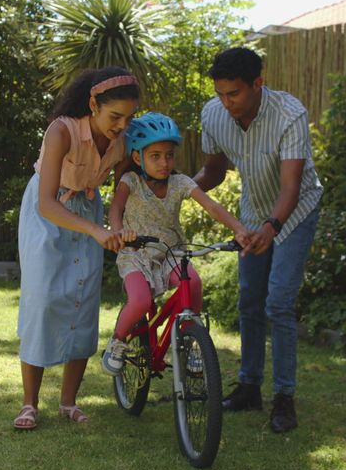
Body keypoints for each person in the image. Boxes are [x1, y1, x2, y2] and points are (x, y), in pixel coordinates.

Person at [194, 47, 323, 433]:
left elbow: (291, 186)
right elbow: (214, 171)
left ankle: (284, 397)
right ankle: (249, 386)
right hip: (252, 215)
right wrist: (178, 191)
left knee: (278, 302)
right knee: (249, 301)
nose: (225, 102)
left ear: (257, 84)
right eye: (219, 93)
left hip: (295, 212)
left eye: (233, 93)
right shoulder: (214, 114)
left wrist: (273, 227)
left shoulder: (289, 115)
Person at [14, 67, 140, 430]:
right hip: (48, 212)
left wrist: (116, 230)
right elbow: (46, 203)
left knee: (82, 300)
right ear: (92, 104)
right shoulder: (62, 130)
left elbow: (121, 192)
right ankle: (29, 404)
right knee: (43, 300)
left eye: (128, 117)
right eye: (114, 116)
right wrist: (97, 232)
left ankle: (69, 402)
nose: (121, 125)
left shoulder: (123, 139)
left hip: (89, 210)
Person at [100, 113, 251, 375]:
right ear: (138, 158)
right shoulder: (131, 181)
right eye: (155, 156)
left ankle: (187, 340)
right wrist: (119, 231)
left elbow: (211, 206)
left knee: (193, 282)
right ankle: (117, 342)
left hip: (171, 251)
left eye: (169, 155)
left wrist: (238, 229)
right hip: (135, 252)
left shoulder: (180, 182)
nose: (164, 162)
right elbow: (116, 208)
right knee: (139, 301)